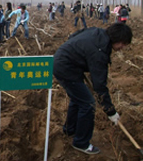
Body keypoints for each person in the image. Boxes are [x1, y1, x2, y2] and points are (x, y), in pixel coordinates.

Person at [53, 23, 133, 155]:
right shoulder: (100, 51)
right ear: (117, 39)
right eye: (123, 44)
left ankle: (70, 130)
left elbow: (73, 36)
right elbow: (100, 86)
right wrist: (111, 112)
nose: (122, 48)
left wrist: (77, 57)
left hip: (65, 62)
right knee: (88, 103)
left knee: (78, 98)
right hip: (66, 68)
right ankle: (81, 142)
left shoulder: (97, 32)